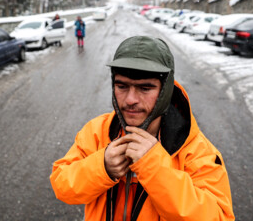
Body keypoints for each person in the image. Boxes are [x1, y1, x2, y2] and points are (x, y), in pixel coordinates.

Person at [50, 36, 235, 220]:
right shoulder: (97, 132)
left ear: (165, 90)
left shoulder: (196, 150)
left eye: (145, 88)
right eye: (121, 86)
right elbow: (62, 185)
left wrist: (154, 169)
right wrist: (102, 167)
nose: (131, 100)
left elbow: (219, 216)